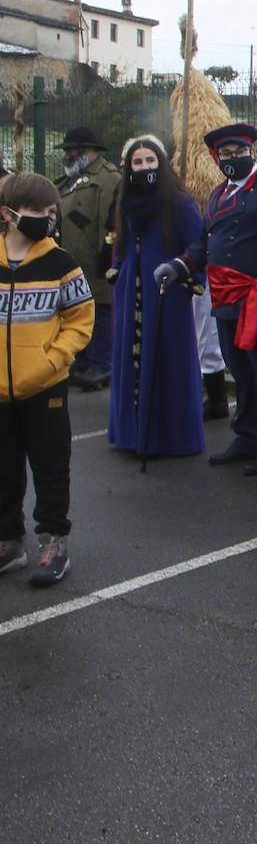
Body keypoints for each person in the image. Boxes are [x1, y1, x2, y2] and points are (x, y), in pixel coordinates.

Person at [156, 123, 257, 475]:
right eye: (225, 154)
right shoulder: (219, 197)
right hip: (225, 301)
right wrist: (178, 267)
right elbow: (204, 245)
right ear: (214, 157)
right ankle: (247, 436)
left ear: (252, 151)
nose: (232, 158)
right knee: (240, 370)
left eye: (239, 151)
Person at [0, 171, 95, 584]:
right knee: (3, 469)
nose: (46, 218)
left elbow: (80, 320)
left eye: (50, 211)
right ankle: (9, 541)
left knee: (50, 465)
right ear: (8, 214)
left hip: (46, 387)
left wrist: (55, 360)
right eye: (36, 211)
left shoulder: (61, 263)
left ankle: (54, 540)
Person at [107, 135, 206, 457]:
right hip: (130, 293)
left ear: (161, 164)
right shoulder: (126, 201)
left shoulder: (179, 202)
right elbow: (120, 245)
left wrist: (185, 274)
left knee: (169, 360)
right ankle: (132, 434)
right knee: (130, 358)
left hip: (167, 293)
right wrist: (118, 269)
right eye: (138, 162)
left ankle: (171, 436)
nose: (145, 167)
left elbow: (197, 245)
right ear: (129, 167)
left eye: (151, 161)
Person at [54, 126, 121, 391]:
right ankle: (81, 362)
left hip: (95, 261)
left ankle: (101, 365)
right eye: (67, 150)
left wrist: (106, 259)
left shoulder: (107, 178)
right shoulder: (70, 179)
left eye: (73, 150)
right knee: (76, 311)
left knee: (101, 311)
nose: (68, 155)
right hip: (72, 260)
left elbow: (110, 221)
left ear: (89, 151)